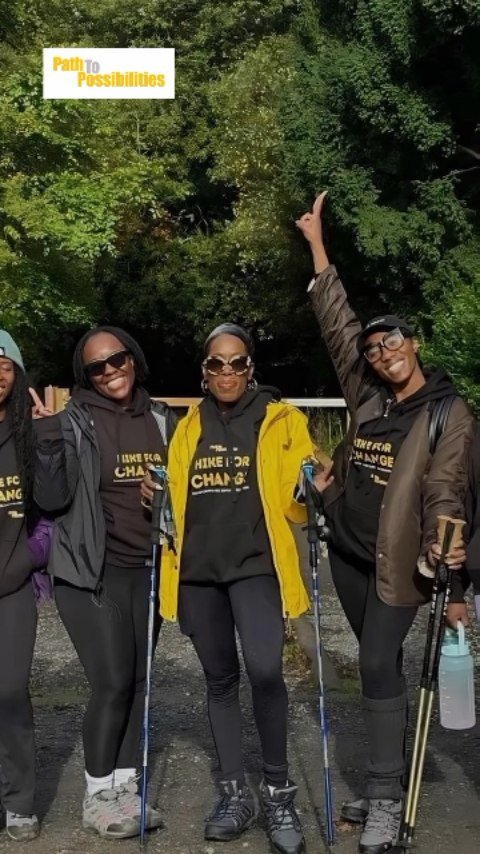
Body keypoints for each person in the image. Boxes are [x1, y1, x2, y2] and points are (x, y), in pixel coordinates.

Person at [296, 194, 473, 854]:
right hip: (346, 550)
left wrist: (453, 579)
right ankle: (382, 780)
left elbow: (447, 491)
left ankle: (384, 798)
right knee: (381, 668)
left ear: (413, 344)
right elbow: (337, 326)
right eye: (372, 348)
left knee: (374, 661)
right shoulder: (368, 398)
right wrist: (318, 248)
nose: (380, 352)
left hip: (401, 565)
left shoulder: (448, 413)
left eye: (391, 341)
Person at [142, 323, 326, 854]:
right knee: (220, 681)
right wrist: (154, 495)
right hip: (198, 573)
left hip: (256, 568)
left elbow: (297, 498)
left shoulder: (281, 419)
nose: (227, 371)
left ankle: (278, 793)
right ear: (204, 372)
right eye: (216, 363)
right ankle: (232, 794)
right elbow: (172, 497)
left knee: (266, 671)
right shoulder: (187, 426)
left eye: (237, 362)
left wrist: (311, 487)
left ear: (251, 368)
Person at [34, 326, 176, 840]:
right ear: (85, 375)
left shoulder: (162, 419)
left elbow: (183, 490)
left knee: (137, 681)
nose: (111, 371)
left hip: (148, 567)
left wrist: (164, 500)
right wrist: (47, 439)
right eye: (97, 367)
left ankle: (124, 788)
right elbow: (51, 499)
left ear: (133, 359)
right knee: (112, 681)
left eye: (117, 359)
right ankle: (97, 797)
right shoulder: (72, 421)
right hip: (90, 570)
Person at [0, 331, 55, 841]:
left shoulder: (27, 435)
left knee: (10, 690)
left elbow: (52, 506)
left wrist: (31, 556)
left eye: (5, 366)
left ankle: (18, 801)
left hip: (13, 587)